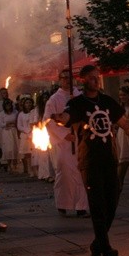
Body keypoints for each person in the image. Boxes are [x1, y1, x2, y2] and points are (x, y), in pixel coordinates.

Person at [59, 65, 129, 256]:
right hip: (90, 161)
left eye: (97, 77)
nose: (96, 80)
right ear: (83, 80)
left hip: (110, 160)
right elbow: (66, 118)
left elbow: (127, 126)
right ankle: (108, 253)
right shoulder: (76, 103)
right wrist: (59, 118)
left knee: (111, 204)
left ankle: (96, 245)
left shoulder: (107, 102)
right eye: (92, 78)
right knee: (97, 208)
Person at [44, 69, 89, 216]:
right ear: (59, 80)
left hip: (81, 140)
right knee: (65, 173)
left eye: (69, 78)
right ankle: (63, 203)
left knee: (82, 171)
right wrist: (64, 134)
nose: (67, 81)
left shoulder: (80, 96)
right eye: (64, 78)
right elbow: (48, 121)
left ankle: (81, 206)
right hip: (64, 143)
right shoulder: (54, 100)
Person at [115, 86, 129, 197]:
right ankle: (119, 183)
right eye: (120, 95)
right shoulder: (119, 108)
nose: (122, 97)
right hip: (123, 134)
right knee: (123, 161)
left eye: (124, 95)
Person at [16, 96, 38, 177]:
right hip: (25, 135)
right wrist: (27, 131)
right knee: (27, 154)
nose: (28, 104)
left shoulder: (34, 112)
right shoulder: (21, 114)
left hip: (34, 133)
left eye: (30, 103)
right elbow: (19, 126)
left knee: (35, 153)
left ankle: (36, 169)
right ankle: (30, 169)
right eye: (27, 103)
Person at [0, 98, 19, 173]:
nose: (8, 106)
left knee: (15, 148)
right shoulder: (2, 114)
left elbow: (18, 121)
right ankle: (9, 165)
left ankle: (15, 165)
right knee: (8, 149)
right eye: (7, 105)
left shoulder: (15, 112)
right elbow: (0, 124)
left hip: (14, 132)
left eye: (9, 105)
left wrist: (14, 124)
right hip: (6, 132)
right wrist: (6, 124)